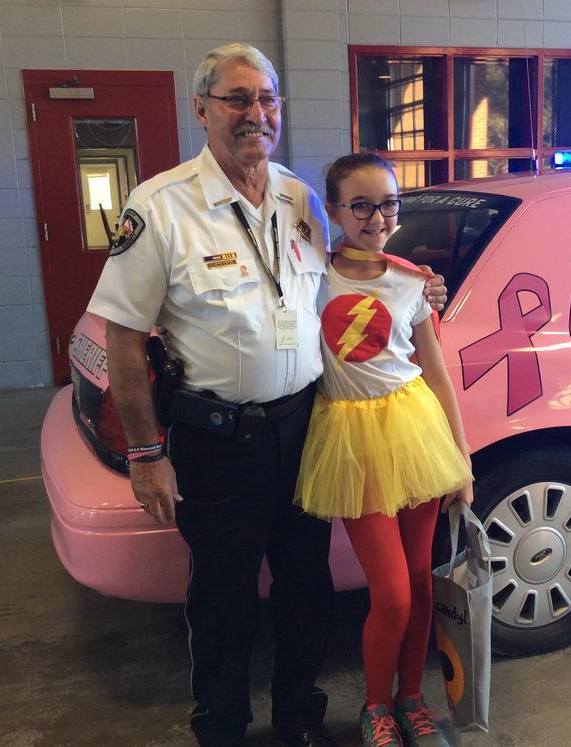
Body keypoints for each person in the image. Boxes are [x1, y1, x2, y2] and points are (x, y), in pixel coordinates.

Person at [86, 45, 446, 747]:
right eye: (238, 99)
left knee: (306, 590)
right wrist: (146, 452)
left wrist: (422, 282)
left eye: (268, 99)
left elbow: (353, 270)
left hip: (304, 428)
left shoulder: (297, 196)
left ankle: (298, 719)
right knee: (223, 601)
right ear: (203, 109)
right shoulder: (160, 208)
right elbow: (124, 339)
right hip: (219, 439)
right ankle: (221, 728)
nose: (257, 113)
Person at [294, 153, 474, 747]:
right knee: (391, 592)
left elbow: (437, 374)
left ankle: (411, 699)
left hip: (415, 433)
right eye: (362, 204)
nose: (377, 216)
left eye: (389, 203)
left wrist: (462, 458)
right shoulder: (311, 278)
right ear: (336, 210)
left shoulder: (412, 281)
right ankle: (376, 706)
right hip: (350, 442)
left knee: (420, 583)